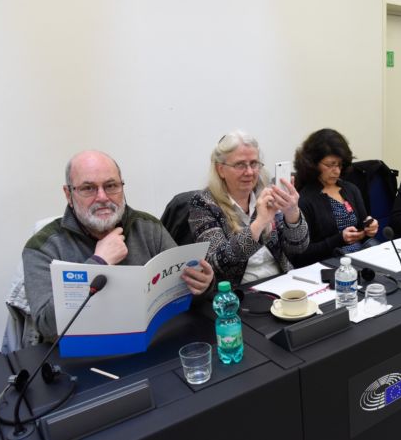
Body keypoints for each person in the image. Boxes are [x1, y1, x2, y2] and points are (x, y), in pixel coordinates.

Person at [22, 151, 214, 344]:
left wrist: (203, 285)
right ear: (68, 194)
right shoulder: (42, 247)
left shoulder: (148, 227)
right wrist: (98, 263)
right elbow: (47, 327)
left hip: (155, 342)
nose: (102, 197)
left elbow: (182, 293)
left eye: (111, 186)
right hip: (86, 352)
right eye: (88, 188)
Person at [188, 131, 309, 287]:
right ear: (221, 169)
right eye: (240, 165)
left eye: (254, 163)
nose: (250, 172)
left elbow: (298, 248)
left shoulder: (267, 192)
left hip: (281, 282)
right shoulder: (203, 203)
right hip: (240, 291)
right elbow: (216, 263)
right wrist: (259, 224)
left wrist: (292, 214)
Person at [291, 128, 379, 267]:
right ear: (313, 164)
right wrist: (339, 239)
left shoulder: (350, 189)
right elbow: (302, 255)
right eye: (330, 165)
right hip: (330, 264)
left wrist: (370, 228)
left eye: (340, 164)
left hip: (361, 257)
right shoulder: (304, 199)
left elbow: (363, 227)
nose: (337, 171)